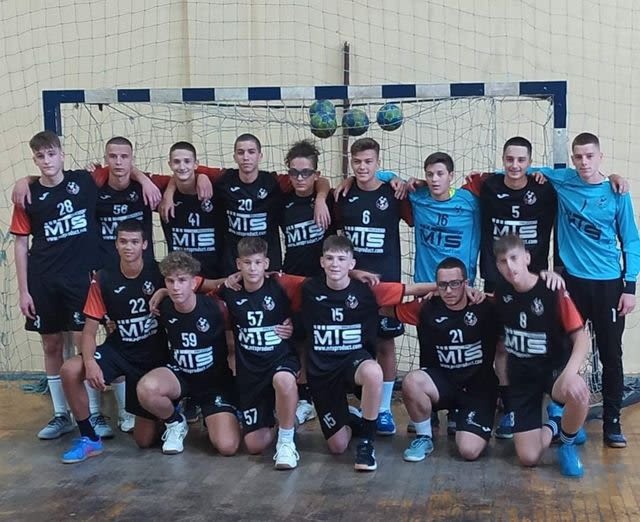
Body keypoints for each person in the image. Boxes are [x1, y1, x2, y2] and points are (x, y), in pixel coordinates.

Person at [533, 133, 640, 447]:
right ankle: (563, 419)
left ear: (600, 157)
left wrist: (629, 287)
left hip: (609, 286)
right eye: (578, 156)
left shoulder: (617, 192)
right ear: (572, 158)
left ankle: (612, 423)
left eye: (589, 156)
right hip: (572, 284)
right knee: (564, 353)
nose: (584, 162)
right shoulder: (563, 180)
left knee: (611, 355)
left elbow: (631, 242)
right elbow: (519, 170)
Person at [301, 235, 434, 471]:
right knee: (338, 446)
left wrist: (452, 288)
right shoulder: (307, 288)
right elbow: (271, 278)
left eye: (341, 259)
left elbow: (410, 289)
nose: (335, 264)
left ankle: (366, 444)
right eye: (329, 258)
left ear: (352, 263)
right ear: (321, 262)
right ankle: (353, 417)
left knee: (373, 371)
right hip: (322, 371)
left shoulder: (368, 290)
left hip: (353, 363)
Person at [10, 130, 100, 440]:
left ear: (62, 154)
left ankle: (94, 413)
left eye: (51, 154)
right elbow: (20, 244)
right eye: (40, 156)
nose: (47, 160)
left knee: (83, 343)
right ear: (34, 160)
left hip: (78, 280)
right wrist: (24, 290)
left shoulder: (84, 181)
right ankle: (61, 414)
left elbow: (120, 170)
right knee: (51, 345)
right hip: (43, 280)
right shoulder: (28, 196)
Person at [58, 220, 168, 463]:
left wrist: (165, 291)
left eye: (134, 242)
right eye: (123, 241)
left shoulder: (160, 273)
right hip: (120, 350)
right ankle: (89, 439)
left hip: (153, 358)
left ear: (145, 245)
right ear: (116, 244)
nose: (128, 247)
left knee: (144, 441)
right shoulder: (103, 278)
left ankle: (165, 415)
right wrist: (90, 362)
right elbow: (89, 332)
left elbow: (190, 290)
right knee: (70, 370)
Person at [380, 257, 499, 462]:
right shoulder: (426, 307)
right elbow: (379, 304)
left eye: (455, 284)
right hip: (442, 384)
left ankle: (472, 424)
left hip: (478, 390)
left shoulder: (485, 306)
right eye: (443, 285)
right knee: (412, 381)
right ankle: (424, 438)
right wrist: (424, 289)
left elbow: (516, 301)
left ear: (466, 283)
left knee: (469, 451)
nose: (449, 291)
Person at [478, 136, 558, 439]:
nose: (515, 165)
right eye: (510, 159)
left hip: (534, 282)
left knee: (541, 344)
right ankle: (509, 408)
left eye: (521, 160)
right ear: (502, 160)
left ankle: (553, 408)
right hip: (498, 280)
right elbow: (439, 183)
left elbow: (574, 181)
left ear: (530, 162)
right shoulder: (487, 186)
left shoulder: (545, 188)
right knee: (501, 344)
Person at [168, 133, 331, 275]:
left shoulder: (275, 182)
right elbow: (185, 172)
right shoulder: (223, 179)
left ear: (260, 156)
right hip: (233, 267)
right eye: (241, 152)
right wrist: (174, 189)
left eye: (251, 152)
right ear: (234, 156)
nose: (246, 157)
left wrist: (320, 198)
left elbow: (316, 179)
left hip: (267, 267)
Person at [494, 234, 589, 477]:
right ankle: (556, 424)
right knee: (528, 458)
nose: (510, 266)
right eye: (503, 261)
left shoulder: (552, 289)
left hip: (553, 371)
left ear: (527, 258)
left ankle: (567, 445)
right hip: (522, 378)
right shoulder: (501, 294)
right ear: (497, 266)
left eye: (514, 258)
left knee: (578, 391)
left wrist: (570, 373)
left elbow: (581, 338)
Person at [334, 137, 411, 436]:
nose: (362, 167)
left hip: (386, 282)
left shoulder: (393, 193)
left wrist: (400, 180)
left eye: (368, 161)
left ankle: (384, 410)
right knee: (352, 342)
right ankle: (355, 405)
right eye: (357, 162)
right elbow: (335, 237)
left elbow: (416, 214)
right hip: (350, 284)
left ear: (378, 162)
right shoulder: (343, 194)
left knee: (385, 344)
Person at [136, 252, 241, 456]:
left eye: (182, 280)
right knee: (146, 393)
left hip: (213, 383)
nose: (175, 287)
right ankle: (175, 422)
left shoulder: (216, 308)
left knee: (227, 447)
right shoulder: (163, 307)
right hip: (180, 377)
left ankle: (215, 415)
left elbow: (233, 346)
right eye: (170, 281)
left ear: (194, 283)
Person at [218, 237, 301, 469]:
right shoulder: (229, 291)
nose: (252, 268)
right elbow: (195, 289)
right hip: (251, 373)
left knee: (284, 379)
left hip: (280, 360)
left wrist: (295, 324)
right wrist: (163, 292)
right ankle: (282, 418)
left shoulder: (281, 285)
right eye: (247, 263)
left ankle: (286, 442)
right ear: (238, 265)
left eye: (257, 262)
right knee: (254, 445)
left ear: (266, 263)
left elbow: (317, 288)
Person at [281, 139, 336, 426]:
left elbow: (329, 184)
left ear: (316, 174)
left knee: (323, 341)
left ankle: (328, 396)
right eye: (294, 172)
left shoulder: (330, 199)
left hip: (323, 283)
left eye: (306, 172)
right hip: (293, 280)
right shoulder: (283, 200)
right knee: (299, 340)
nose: (300, 178)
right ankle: (303, 398)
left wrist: (322, 197)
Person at [159, 141, 223, 279]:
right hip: (179, 280)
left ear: (196, 164)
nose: (182, 167)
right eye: (176, 162)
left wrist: (202, 175)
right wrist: (168, 192)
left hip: (215, 277)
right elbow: (128, 172)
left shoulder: (215, 191)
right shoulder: (163, 194)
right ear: (169, 164)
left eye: (187, 161)